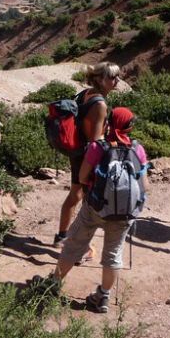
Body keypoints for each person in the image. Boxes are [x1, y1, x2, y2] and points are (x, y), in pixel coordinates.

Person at [46, 108, 150, 314]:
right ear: (130, 127)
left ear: (109, 123)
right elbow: (145, 185)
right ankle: (103, 296)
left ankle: (52, 285)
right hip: (124, 213)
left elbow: (83, 177)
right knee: (113, 253)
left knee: (74, 245)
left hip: (95, 208)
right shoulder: (138, 149)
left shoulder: (98, 147)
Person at [53, 62, 120, 251]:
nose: (117, 81)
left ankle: (63, 236)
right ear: (100, 79)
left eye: (117, 76)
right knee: (85, 198)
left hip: (77, 151)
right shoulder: (100, 104)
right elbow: (95, 140)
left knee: (76, 193)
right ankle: (78, 245)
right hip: (87, 155)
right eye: (112, 77)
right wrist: (112, 144)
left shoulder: (85, 93)